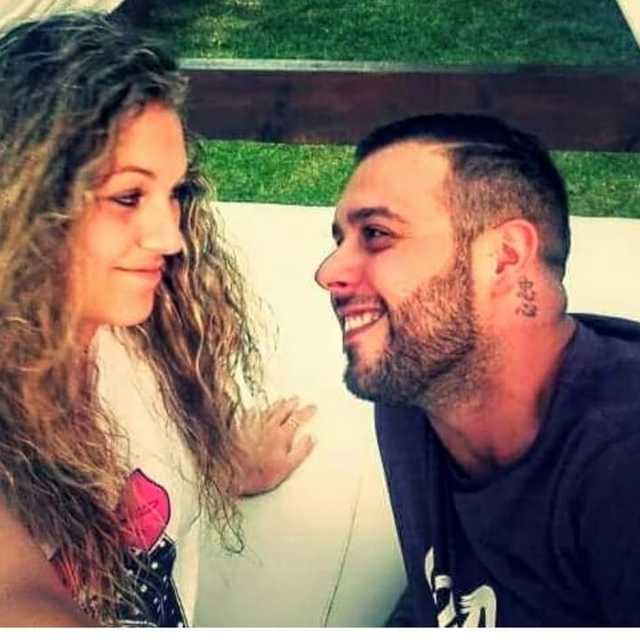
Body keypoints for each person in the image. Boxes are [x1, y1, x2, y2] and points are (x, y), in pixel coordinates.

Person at [0, 13, 314, 627]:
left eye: (174, 192)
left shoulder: (140, 341)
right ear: (22, 196)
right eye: (127, 197)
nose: (171, 237)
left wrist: (222, 460)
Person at [315, 113, 640, 626]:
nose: (327, 272)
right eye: (340, 241)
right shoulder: (415, 390)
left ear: (505, 258)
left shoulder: (619, 469)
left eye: (375, 234)